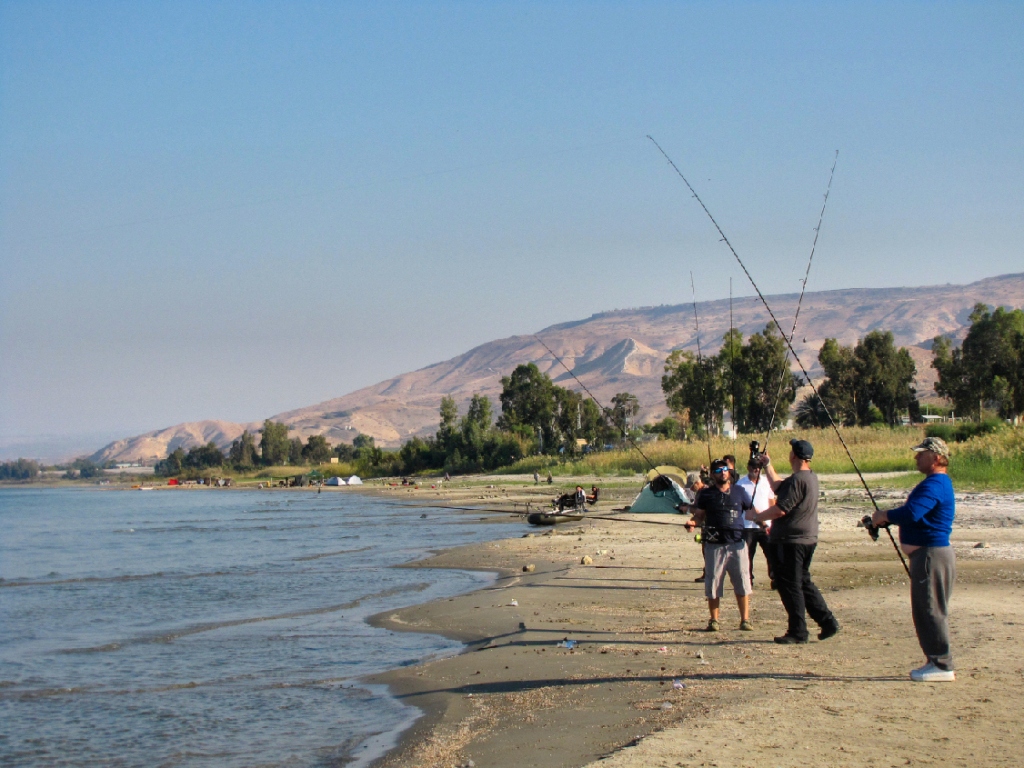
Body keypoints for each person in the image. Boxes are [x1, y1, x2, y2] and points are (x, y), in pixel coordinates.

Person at [871, 437, 956, 682]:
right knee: (925, 609)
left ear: (937, 458)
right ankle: (935, 660)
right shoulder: (934, 484)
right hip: (928, 555)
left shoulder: (935, 484)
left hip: (932, 555)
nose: (916, 457)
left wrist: (884, 515)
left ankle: (941, 665)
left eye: (922, 454)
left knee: (930, 609)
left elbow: (912, 513)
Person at [747, 439, 839, 644]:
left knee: (790, 585)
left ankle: (798, 631)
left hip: (792, 541)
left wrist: (756, 517)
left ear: (794, 456)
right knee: (803, 581)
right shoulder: (808, 477)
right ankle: (827, 621)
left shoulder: (798, 480)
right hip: (806, 539)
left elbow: (781, 509)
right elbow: (779, 487)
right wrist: (768, 464)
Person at [686, 458, 754, 632]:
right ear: (712, 474)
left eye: (724, 469)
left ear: (729, 471)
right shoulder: (707, 494)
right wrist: (693, 523)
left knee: (742, 581)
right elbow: (699, 516)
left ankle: (745, 619)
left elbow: (752, 511)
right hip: (714, 545)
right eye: (717, 470)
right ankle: (714, 620)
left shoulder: (740, 491)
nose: (722, 472)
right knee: (713, 583)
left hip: (737, 543)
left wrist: (765, 524)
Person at [736, 457, 776, 587]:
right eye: (753, 467)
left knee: (772, 554)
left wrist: (773, 521)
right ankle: (748, 579)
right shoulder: (740, 484)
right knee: (747, 555)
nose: (756, 469)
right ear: (748, 467)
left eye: (758, 467)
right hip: (747, 526)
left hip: (766, 525)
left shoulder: (766, 482)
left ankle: (775, 578)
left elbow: (772, 502)